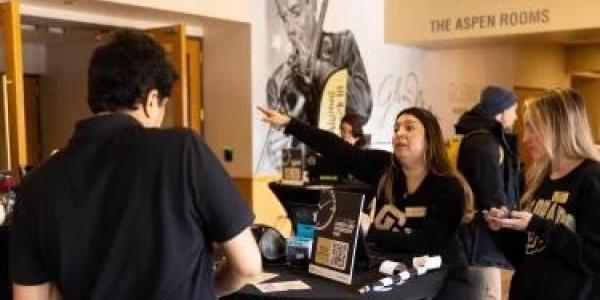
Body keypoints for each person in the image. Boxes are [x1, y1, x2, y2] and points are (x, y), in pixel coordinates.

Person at [10, 30, 261, 300]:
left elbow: (29, 298)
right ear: (152, 101)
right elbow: (248, 266)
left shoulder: (36, 184)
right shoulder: (182, 150)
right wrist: (209, 289)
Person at [259, 106, 477, 300]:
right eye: (396, 128)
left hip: (443, 280)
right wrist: (290, 123)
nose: (400, 133)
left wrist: (369, 231)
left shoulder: (449, 187)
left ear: (430, 138)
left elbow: (428, 244)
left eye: (409, 128)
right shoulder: (383, 169)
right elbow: (336, 148)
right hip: (395, 274)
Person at [483, 89, 600, 300]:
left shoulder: (592, 178)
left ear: (559, 127)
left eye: (533, 128)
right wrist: (504, 229)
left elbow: (594, 258)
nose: (525, 138)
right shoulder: (540, 178)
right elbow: (524, 256)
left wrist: (537, 225)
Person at [259, 0, 372, 170]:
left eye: (295, 12)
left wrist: (320, 68)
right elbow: (283, 153)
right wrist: (278, 155)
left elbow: (363, 106)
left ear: (312, 6)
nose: (289, 27)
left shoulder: (343, 45)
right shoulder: (278, 80)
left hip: (344, 168)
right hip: (305, 176)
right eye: (284, 17)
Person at [454, 85, 520, 300]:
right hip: (481, 240)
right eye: (514, 110)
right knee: (488, 294)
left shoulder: (480, 139)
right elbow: (493, 197)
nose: (517, 116)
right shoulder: (485, 144)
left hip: (480, 238)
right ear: (500, 112)